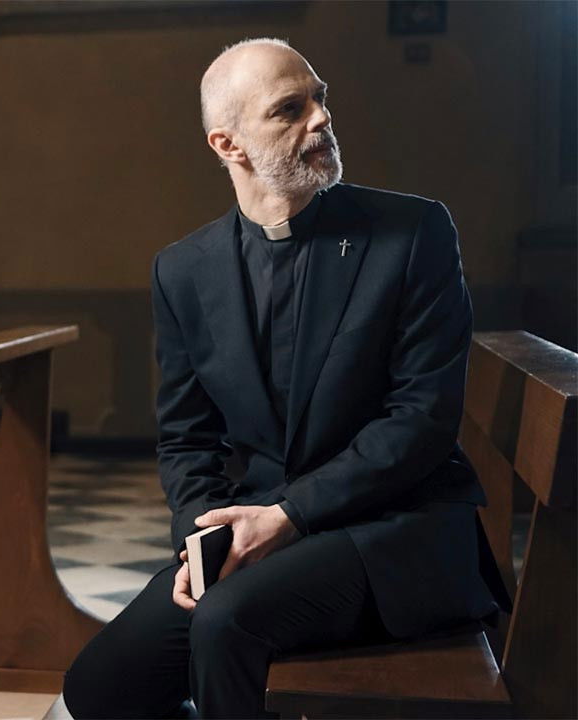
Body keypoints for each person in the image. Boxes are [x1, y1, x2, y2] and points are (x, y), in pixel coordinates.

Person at [61, 38, 512, 719]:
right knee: (98, 688)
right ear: (228, 144)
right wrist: (201, 542)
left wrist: (288, 517)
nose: (321, 118)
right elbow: (187, 440)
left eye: (319, 98)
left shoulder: (413, 232)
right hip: (261, 529)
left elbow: (420, 422)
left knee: (226, 623)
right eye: (289, 109)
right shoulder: (182, 270)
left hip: (395, 531)